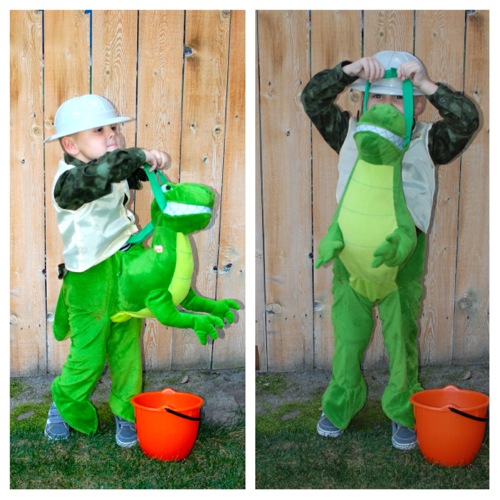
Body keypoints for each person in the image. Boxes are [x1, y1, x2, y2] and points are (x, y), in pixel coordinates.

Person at [301, 51, 479, 449]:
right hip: (351, 261)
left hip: (402, 265)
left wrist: (429, 85)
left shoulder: (429, 140)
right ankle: (341, 401)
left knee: (402, 340)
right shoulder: (349, 131)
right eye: (377, 96)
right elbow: (312, 98)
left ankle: (402, 408)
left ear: (418, 103)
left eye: (398, 97)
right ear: (364, 99)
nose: (386, 104)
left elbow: (467, 120)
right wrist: (348, 72)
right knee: (348, 339)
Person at [44, 94, 170, 447]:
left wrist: (148, 166)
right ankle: (64, 401)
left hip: (124, 268)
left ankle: (126, 409)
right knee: (88, 354)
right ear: (71, 145)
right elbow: (106, 171)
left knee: (126, 348)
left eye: (113, 127)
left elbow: (122, 171)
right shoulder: (69, 182)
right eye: (99, 130)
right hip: (90, 279)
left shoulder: (109, 165)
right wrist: (141, 155)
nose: (112, 133)